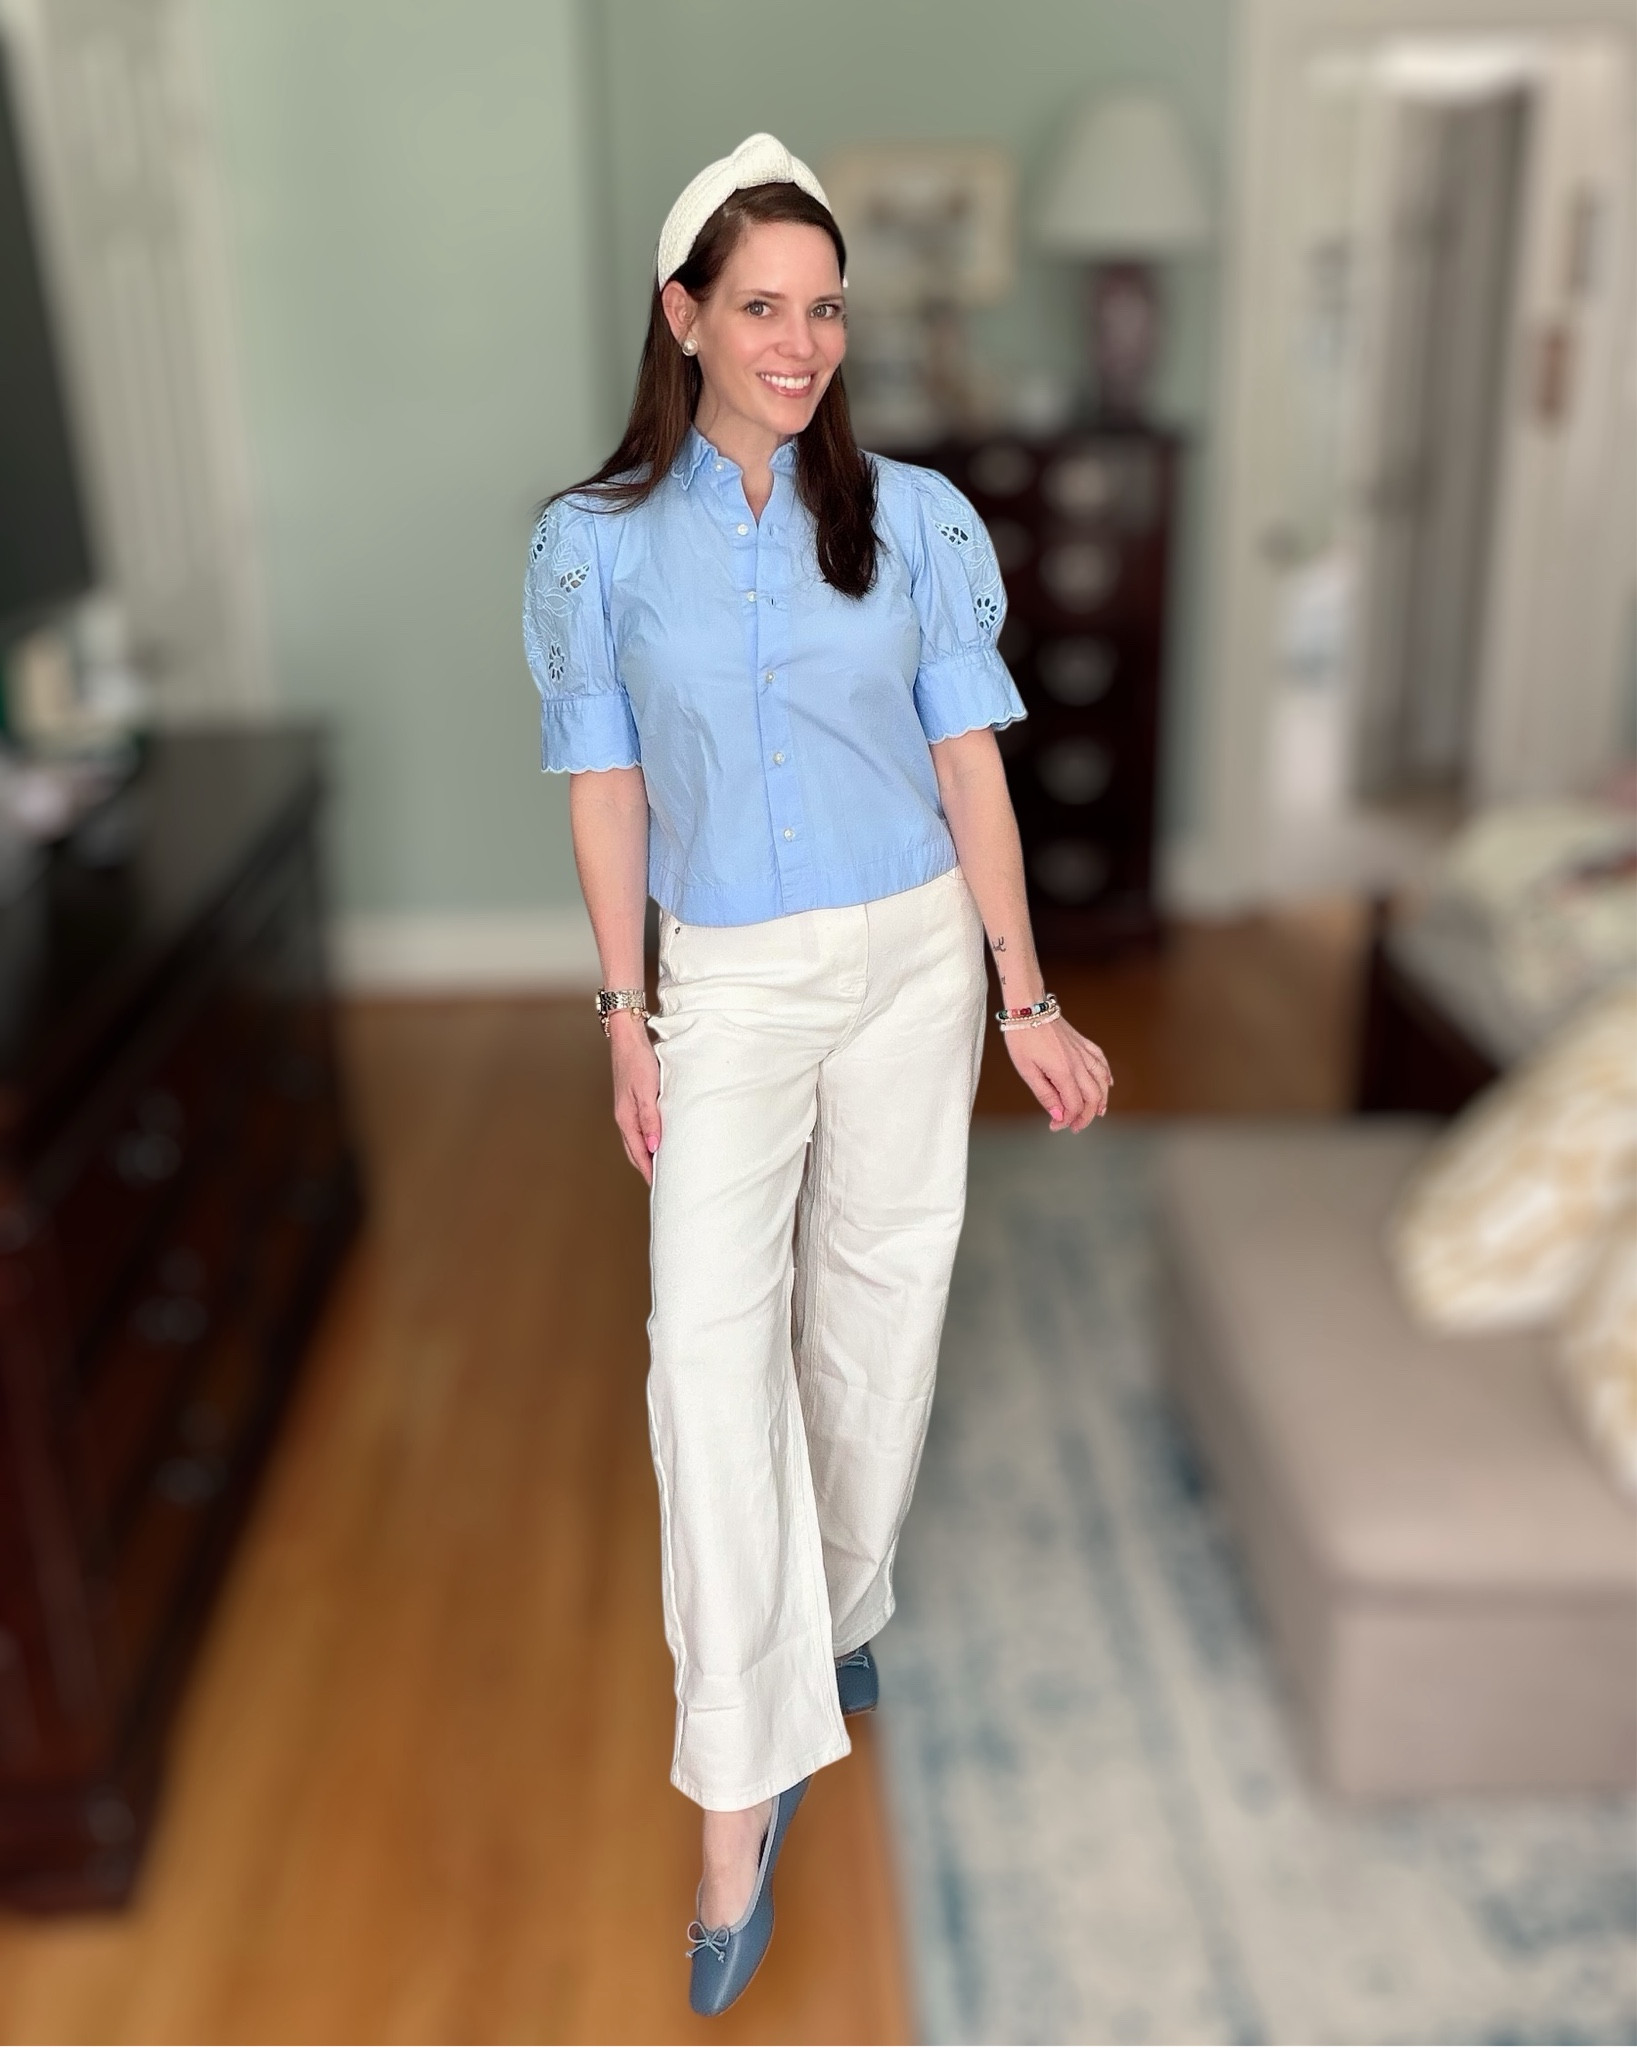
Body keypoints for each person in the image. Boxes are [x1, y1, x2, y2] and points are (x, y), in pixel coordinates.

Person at [524, 133, 1112, 2016]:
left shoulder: (915, 519)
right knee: (706, 1356)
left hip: (917, 958)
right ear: (683, 315)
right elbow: (605, 787)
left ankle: (839, 1612)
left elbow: (967, 765)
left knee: (877, 1300)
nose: (799, 344)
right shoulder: (594, 545)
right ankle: (736, 1795)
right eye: (762, 307)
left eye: (825, 309)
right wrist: (623, 1012)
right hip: (734, 981)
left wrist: (1025, 997)